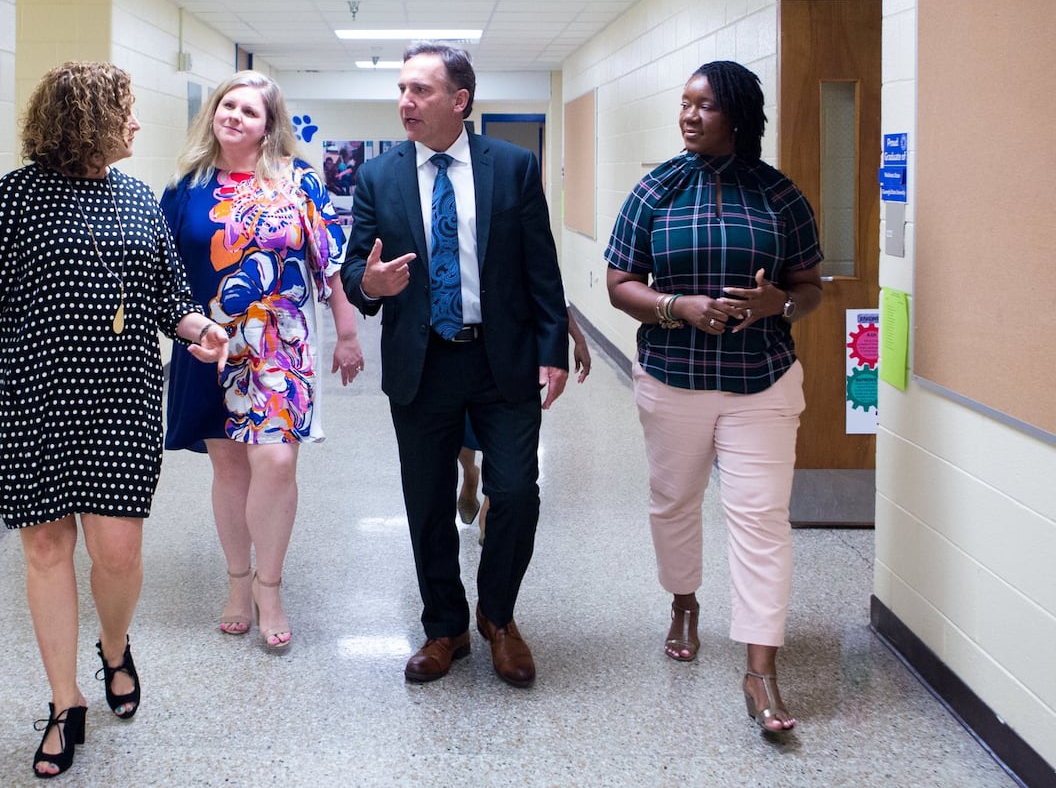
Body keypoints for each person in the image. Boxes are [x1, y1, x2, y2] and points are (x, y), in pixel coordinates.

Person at [0, 60, 229, 778]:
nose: (137, 124)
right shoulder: (14, 199)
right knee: (44, 546)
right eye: (125, 111)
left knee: (117, 553)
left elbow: (171, 296)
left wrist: (202, 330)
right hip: (33, 398)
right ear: (87, 119)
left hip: (122, 400)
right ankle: (63, 699)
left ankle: (112, 644)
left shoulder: (138, 200)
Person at [603, 59, 823, 735]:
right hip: (674, 377)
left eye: (704, 104)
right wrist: (677, 305)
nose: (689, 115)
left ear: (737, 113)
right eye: (684, 103)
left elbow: (811, 286)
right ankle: (685, 600)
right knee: (674, 501)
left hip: (762, 378)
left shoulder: (779, 194)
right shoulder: (656, 190)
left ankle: (760, 668)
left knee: (761, 518)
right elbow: (618, 282)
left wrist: (776, 303)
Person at [342, 42, 570, 689]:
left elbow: (540, 268)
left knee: (518, 493)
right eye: (401, 90)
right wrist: (372, 284)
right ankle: (445, 624)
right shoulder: (377, 177)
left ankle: (499, 616)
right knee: (427, 500)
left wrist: (552, 349)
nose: (405, 103)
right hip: (423, 361)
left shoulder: (515, 168)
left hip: (503, 359)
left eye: (420, 90)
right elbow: (356, 270)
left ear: (459, 101)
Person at [162, 73, 363, 652]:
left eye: (249, 111)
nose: (234, 117)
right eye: (228, 106)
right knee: (229, 468)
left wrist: (347, 332)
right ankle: (237, 582)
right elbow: (164, 272)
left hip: (281, 344)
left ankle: (269, 588)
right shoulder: (187, 187)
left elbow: (328, 265)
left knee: (274, 462)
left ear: (269, 125)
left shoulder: (300, 182)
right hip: (210, 341)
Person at [459, 313, 592, 538]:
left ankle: (492, 498)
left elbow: (553, 292)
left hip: (509, 349)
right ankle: (470, 473)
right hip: (453, 347)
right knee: (462, 426)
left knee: (503, 436)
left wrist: (578, 339)